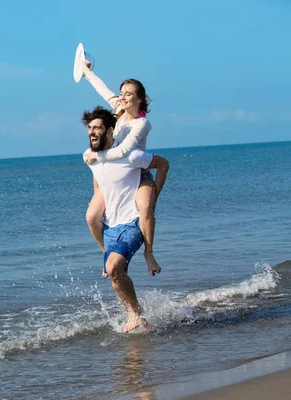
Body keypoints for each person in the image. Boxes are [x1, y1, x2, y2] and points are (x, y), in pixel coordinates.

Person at [82, 106, 170, 332]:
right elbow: (98, 181)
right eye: (89, 128)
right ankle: (139, 318)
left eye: (97, 128)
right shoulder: (92, 158)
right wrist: (97, 202)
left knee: (113, 268)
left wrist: (154, 194)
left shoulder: (131, 156)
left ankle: (136, 314)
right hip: (111, 226)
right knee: (115, 280)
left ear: (110, 131)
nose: (92, 132)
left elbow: (163, 164)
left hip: (132, 223)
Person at [82, 62, 164, 277]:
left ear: (139, 98)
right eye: (121, 93)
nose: (123, 97)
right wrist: (87, 72)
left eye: (128, 94)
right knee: (92, 217)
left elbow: (125, 151)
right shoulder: (118, 110)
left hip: (137, 171)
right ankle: (107, 254)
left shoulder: (141, 123)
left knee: (146, 208)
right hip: (111, 173)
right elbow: (102, 89)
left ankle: (149, 253)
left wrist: (95, 155)